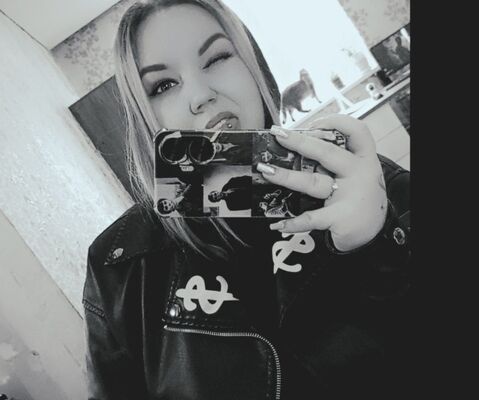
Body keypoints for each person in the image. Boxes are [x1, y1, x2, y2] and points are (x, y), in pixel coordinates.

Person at [82, 1, 412, 399]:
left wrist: (380, 247)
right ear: (142, 116)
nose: (200, 95)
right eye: (163, 85)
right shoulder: (118, 266)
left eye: (217, 58)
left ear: (254, 67)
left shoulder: (364, 180)